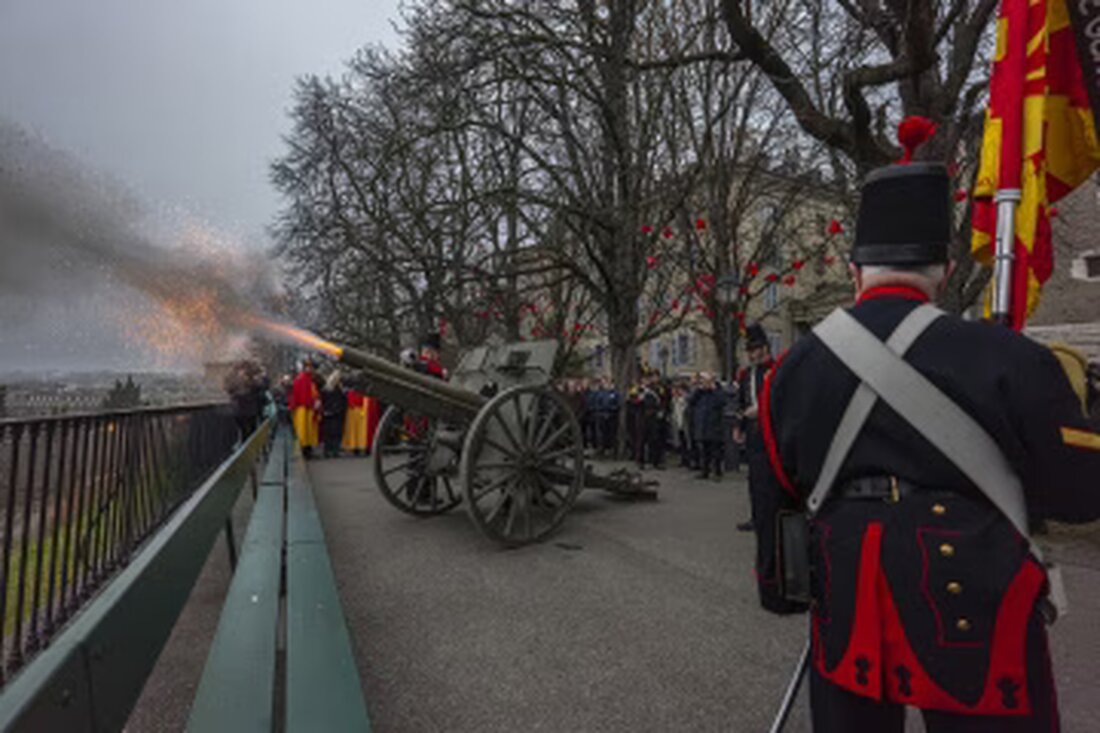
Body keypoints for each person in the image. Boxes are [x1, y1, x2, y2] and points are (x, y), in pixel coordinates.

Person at [754, 161, 1100, 732]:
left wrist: (781, 590)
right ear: (946, 270)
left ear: (854, 271)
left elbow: (776, 491)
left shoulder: (790, 370)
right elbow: (1079, 495)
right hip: (976, 585)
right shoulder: (1009, 355)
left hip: (847, 589)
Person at [734, 324, 775, 532]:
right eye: (749, 350)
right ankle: (757, 516)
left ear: (765, 348)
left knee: (770, 477)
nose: (750, 355)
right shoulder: (747, 374)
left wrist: (762, 410)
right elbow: (742, 402)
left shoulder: (776, 370)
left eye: (754, 350)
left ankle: (771, 516)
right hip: (752, 431)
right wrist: (739, 426)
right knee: (754, 477)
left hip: (771, 430)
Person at [691, 372, 727, 479]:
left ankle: (717, 472)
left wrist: (713, 389)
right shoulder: (700, 393)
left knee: (716, 451)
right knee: (704, 451)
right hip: (702, 425)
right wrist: (698, 390)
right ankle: (705, 471)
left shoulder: (718, 391)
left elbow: (722, 402)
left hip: (714, 425)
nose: (704, 384)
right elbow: (691, 401)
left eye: (706, 381)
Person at [288, 360, 320, 458]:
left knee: (308, 430)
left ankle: (308, 448)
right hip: (302, 408)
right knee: (303, 430)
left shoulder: (309, 379)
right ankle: (304, 449)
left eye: (311, 367)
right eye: (308, 367)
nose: (310, 369)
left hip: (308, 408)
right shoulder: (301, 379)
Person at [319, 370, 347, 458]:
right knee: (335, 432)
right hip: (336, 413)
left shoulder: (325, 389)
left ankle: (328, 451)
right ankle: (334, 450)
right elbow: (342, 401)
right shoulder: (338, 390)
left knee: (329, 433)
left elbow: (323, 401)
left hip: (328, 412)